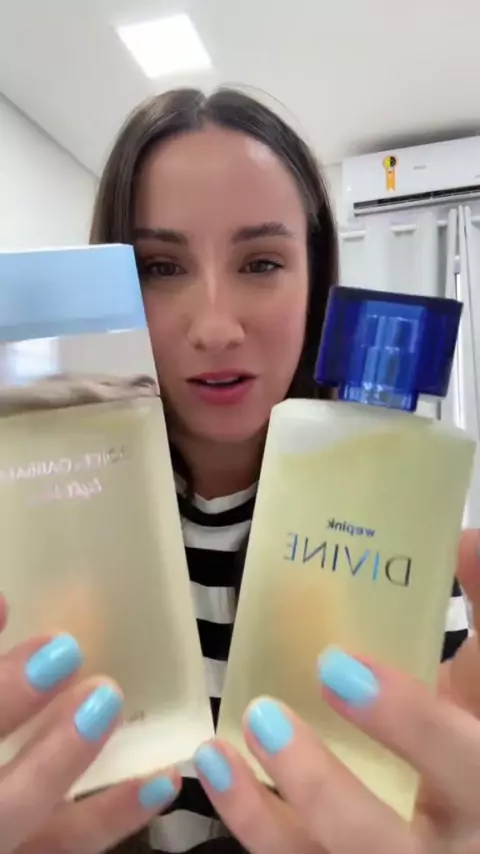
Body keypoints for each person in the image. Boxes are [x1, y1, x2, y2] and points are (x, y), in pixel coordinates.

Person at [1, 88, 479, 854]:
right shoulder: (44, 534)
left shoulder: (402, 557)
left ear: (316, 281)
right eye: (161, 267)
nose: (217, 327)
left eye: (260, 262)